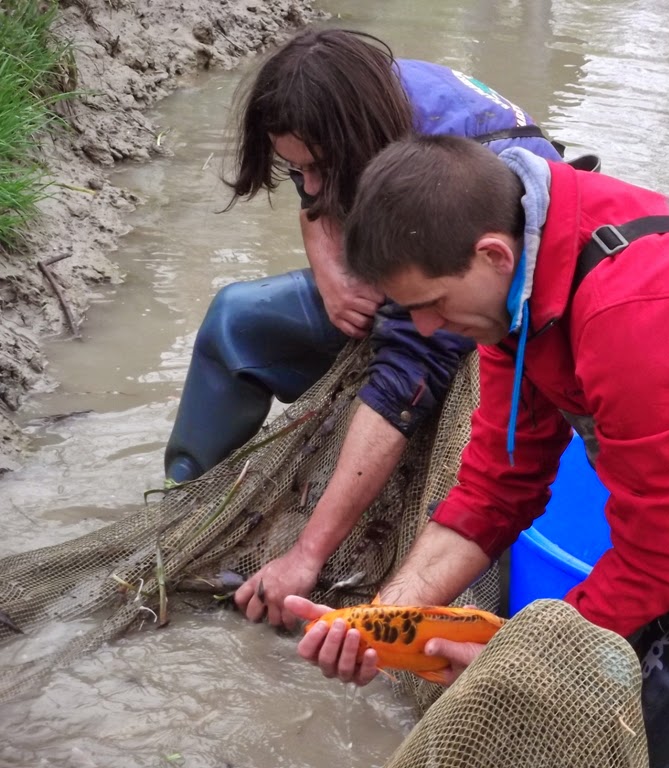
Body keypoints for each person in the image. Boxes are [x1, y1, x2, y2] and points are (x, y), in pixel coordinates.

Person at [286, 134, 669, 768]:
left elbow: (665, 558)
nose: (428, 330)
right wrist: (384, 621)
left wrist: (522, 663)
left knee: (647, 749)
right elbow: (496, 487)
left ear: (492, 254)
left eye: (431, 305)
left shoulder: (638, 311)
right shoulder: (514, 284)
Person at [162, 28, 567, 627]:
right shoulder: (349, 95)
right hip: (406, 273)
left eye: (321, 167)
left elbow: (408, 375)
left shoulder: (452, 179)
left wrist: (306, 555)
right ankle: (186, 504)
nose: (312, 184)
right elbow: (315, 194)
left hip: (492, 323)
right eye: (296, 167)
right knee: (237, 320)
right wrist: (332, 278)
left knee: (417, 395)